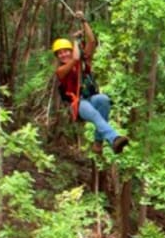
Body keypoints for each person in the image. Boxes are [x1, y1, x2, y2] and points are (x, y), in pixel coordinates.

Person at [53, 12, 129, 154]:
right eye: (60, 53)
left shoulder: (84, 63)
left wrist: (84, 21)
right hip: (77, 104)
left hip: (91, 98)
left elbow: (92, 42)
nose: (64, 55)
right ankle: (114, 139)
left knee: (104, 100)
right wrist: (76, 40)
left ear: (70, 51)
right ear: (57, 57)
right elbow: (75, 58)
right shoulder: (61, 70)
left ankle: (98, 143)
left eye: (66, 51)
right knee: (93, 113)